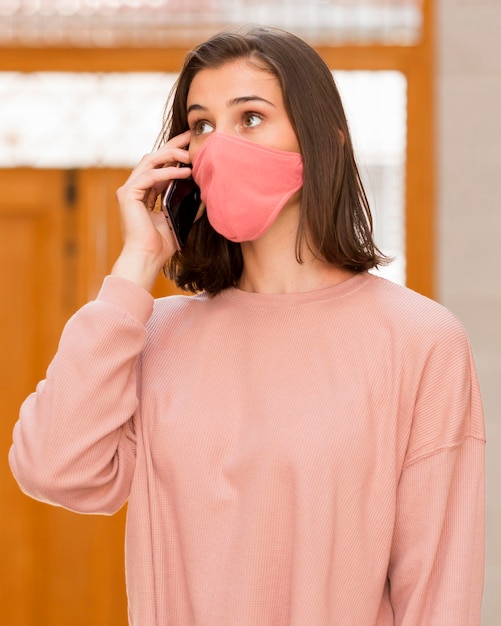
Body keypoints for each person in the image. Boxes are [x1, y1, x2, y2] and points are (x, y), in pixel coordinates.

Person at [9, 26, 485, 626]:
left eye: (251, 118)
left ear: (322, 143)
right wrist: (135, 265)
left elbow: (439, 591)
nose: (219, 145)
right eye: (202, 125)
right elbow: (52, 467)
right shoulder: (153, 333)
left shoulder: (419, 340)